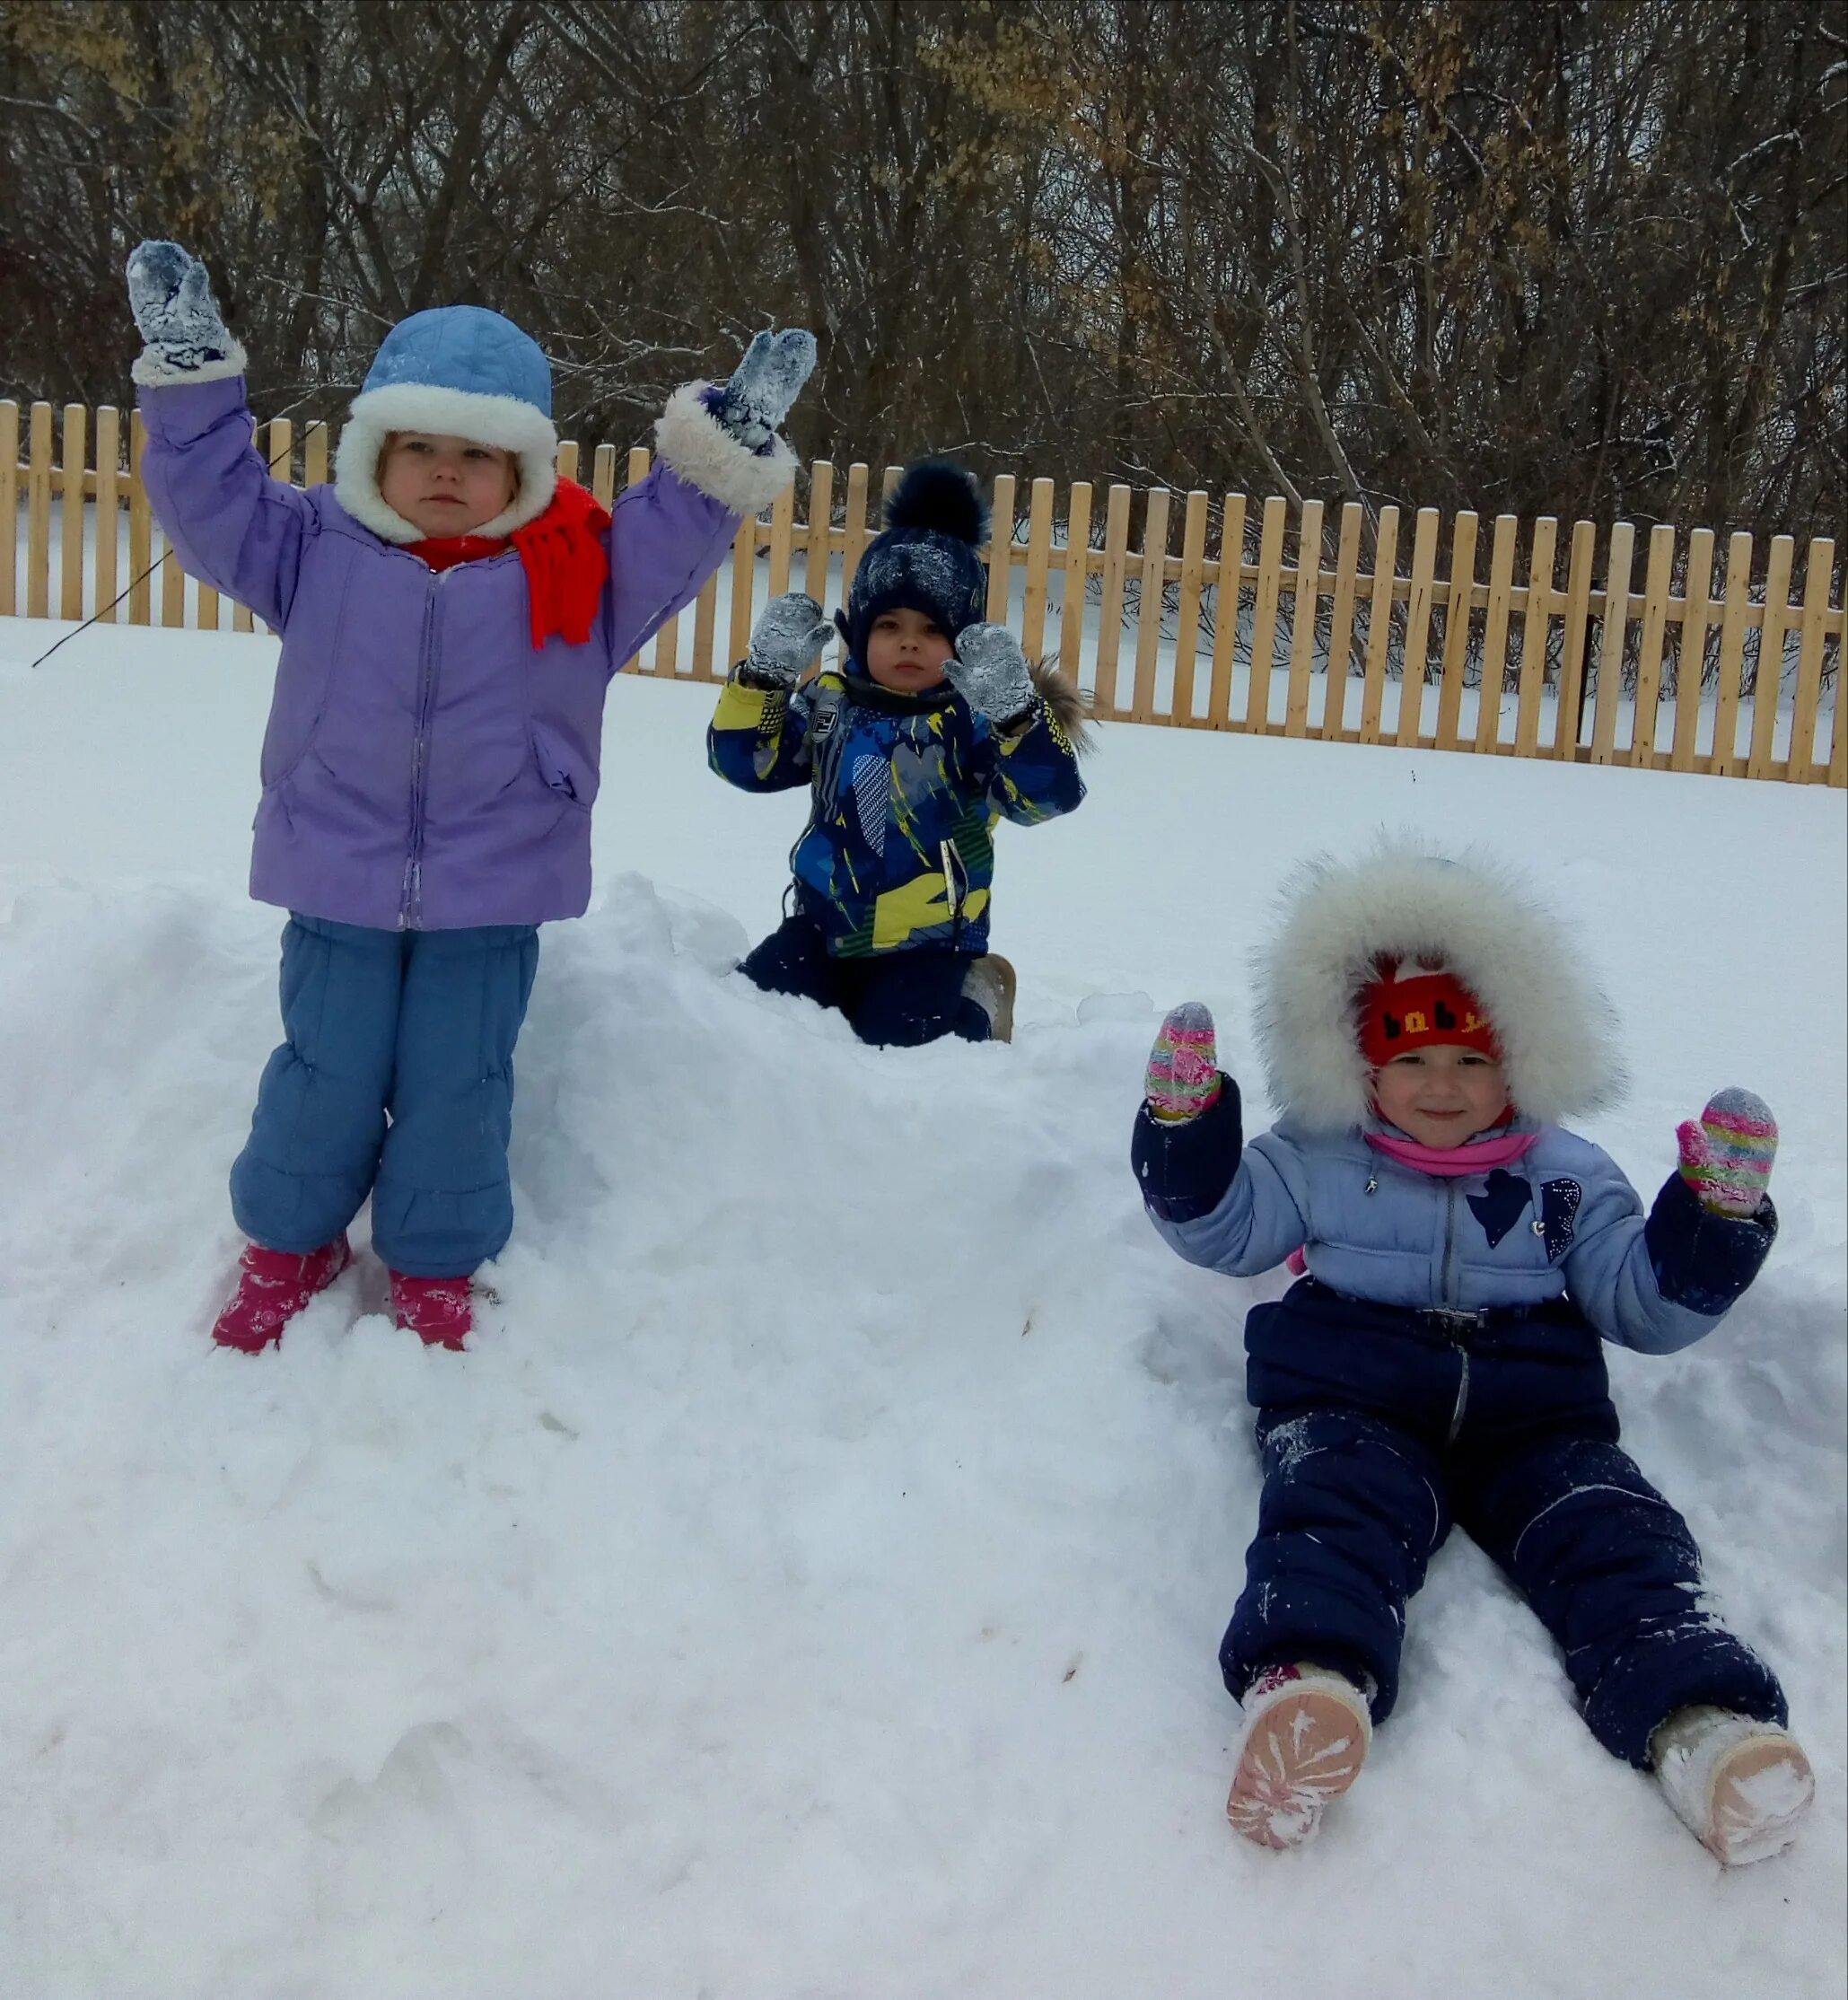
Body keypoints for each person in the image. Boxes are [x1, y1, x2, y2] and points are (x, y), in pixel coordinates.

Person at [127, 239, 814, 1349]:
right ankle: (292, 1239)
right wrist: (195, 374)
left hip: (495, 879)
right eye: (421, 447)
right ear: (375, 453)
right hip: (339, 869)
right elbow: (214, 505)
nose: (447, 471)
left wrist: (724, 444)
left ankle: (435, 1261)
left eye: (478, 454)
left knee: (460, 1079)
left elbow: (670, 532)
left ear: (523, 472)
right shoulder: (312, 547)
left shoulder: (575, 571)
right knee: (324, 1069)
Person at [1132, 840, 1813, 1865]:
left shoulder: (1567, 1176)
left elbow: (1644, 1304)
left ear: (1520, 1059)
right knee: (1333, 1510)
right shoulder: (1315, 1153)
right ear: (1363, 1065)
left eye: (1470, 1059)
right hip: (1350, 1391)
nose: (1441, 1086)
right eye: (1410, 1059)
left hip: (1532, 1416)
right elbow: (1223, 1232)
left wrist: (1707, 1223)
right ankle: (1307, 1686)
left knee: (1609, 1530)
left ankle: (1699, 1720)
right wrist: (1185, 1130)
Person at [707, 459, 1087, 1046]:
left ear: (960, 642)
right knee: (746, 1017)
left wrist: (1017, 716)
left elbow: (1048, 797)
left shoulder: (973, 723)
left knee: (906, 1051)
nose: (908, 640)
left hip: (929, 943)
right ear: (857, 630)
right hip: (820, 925)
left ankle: (975, 998)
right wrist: (761, 683)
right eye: (888, 624)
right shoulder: (830, 702)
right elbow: (744, 765)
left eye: (931, 630)